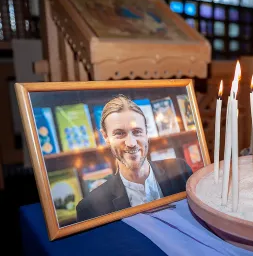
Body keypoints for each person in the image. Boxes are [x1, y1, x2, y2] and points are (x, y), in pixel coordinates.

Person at [76, 94, 193, 222]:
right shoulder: (90, 207)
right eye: (119, 133)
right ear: (105, 137)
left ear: (147, 132)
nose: (131, 143)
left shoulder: (180, 170)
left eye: (137, 131)